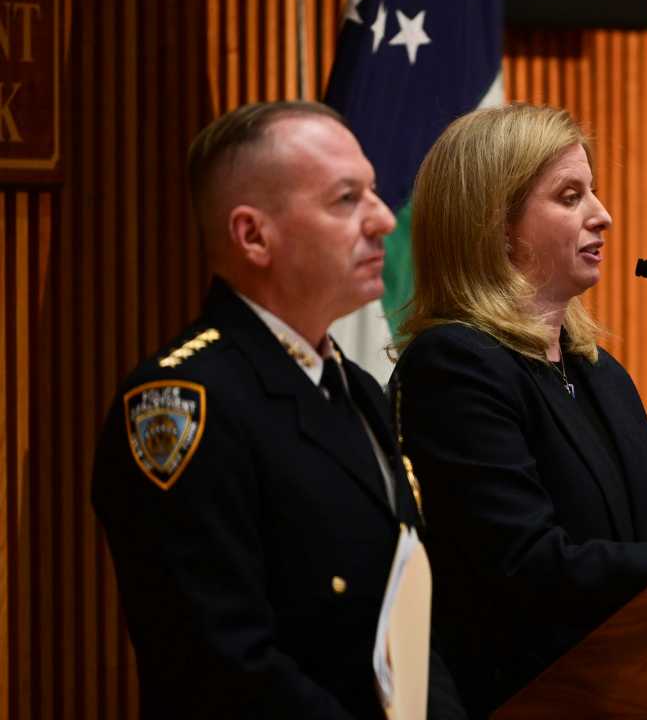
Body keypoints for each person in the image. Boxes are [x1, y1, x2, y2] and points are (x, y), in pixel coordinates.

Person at [91, 101, 463, 719]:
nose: (382, 220)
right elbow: (221, 668)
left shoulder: (357, 390)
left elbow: (407, 619)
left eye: (372, 192)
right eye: (346, 199)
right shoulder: (185, 405)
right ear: (253, 235)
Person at [389, 103, 647, 716]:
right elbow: (528, 566)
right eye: (570, 196)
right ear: (497, 225)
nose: (603, 215)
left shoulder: (594, 368)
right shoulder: (454, 366)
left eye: (593, 192)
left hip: (630, 687)